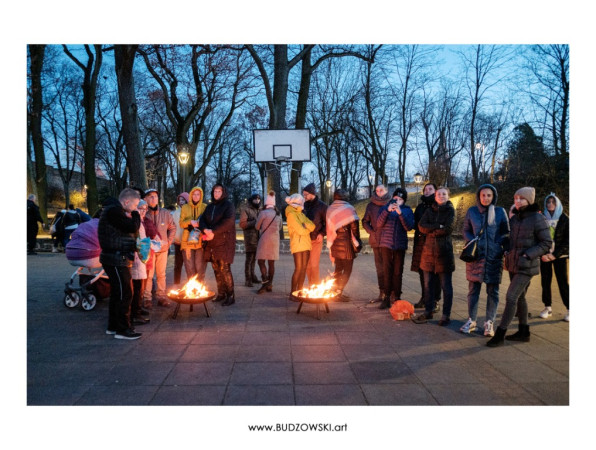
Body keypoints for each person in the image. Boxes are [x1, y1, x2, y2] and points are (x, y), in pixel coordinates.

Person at [487, 187, 552, 347]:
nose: (517, 201)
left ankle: (500, 333)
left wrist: (528, 254)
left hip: (527, 265)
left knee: (511, 297)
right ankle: (524, 332)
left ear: (529, 200)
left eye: (521, 198)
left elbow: (546, 243)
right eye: (516, 198)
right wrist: (507, 247)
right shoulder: (515, 218)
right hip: (514, 263)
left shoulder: (538, 218)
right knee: (520, 297)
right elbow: (512, 239)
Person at [460, 184, 510, 337]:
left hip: (494, 257)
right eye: (483, 195)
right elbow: (465, 230)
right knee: (473, 290)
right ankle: (471, 320)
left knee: (492, 291)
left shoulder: (500, 212)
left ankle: (489, 322)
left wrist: (497, 243)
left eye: (489, 195)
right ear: (479, 196)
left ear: (493, 196)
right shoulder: (472, 211)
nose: (486, 198)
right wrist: (473, 240)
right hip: (476, 256)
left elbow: (506, 232)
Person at [98, 188, 142, 340]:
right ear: (127, 201)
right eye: (135, 205)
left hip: (116, 257)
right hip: (116, 258)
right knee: (125, 293)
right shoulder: (114, 211)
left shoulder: (113, 210)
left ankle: (113, 326)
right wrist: (136, 215)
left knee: (118, 293)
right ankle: (123, 329)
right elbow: (132, 227)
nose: (136, 209)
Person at [412, 187, 456, 325]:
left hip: (444, 253)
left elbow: (448, 229)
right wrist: (438, 226)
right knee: (428, 285)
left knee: (446, 286)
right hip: (428, 253)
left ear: (448, 196)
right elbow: (421, 226)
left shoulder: (450, 211)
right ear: (435, 196)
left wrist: (432, 230)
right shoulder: (429, 210)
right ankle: (428, 311)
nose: (441, 196)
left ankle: (446, 315)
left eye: (444, 194)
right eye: (439, 194)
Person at [376, 188, 415, 309]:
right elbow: (379, 224)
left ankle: (397, 296)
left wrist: (400, 213)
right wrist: (387, 211)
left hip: (400, 245)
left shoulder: (407, 211)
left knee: (398, 272)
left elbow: (409, 227)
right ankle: (386, 297)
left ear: (404, 201)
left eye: (400, 199)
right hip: (386, 244)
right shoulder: (384, 208)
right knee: (387, 271)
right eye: (395, 198)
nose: (397, 201)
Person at [199, 184, 237, 306]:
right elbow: (202, 220)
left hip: (224, 241)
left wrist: (213, 231)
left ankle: (230, 295)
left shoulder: (228, 206)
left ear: (223, 192)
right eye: (215, 191)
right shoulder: (210, 206)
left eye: (219, 191)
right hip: (212, 242)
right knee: (216, 268)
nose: (216, 193)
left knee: (224, 268)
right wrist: (205, 229)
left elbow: (228, 222)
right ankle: (221, 293)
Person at [326, 189, 362, 302]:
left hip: (335, 243)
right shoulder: (349, 209)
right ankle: (338, 292)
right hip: (346, 244)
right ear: (344, 197)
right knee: (347, 270)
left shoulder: (330, 209)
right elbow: (355, 229)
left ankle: (334, 290)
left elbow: (329, 227)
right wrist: (358, 242)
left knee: (338, 268)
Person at [411, 183, 441, 311]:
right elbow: (416, 225)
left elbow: (438, 225)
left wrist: (426, 228)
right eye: (425, 189)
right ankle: (424, 298)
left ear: (435, 192)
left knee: (435, 273)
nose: (427, 191)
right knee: (422, 272)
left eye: (430, 189)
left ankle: (435, 300)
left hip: (433, 243)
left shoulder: (438, 206)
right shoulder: (420, 207)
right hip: (420, 243)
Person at [539, 193, 569, 321]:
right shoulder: (541, 218)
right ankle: (547, 307)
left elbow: (569, 241)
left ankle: (569, 308)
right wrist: (543, 253)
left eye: (553, 202)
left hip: (560, 256)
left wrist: (555, 255)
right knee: (545, 281)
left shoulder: (565, 219)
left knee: (562, 282)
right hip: (545, 255)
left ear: (557, 204)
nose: (550, 204)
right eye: (548, 202)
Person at [143, 188, 176, 307]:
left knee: (161, 274)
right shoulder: (143, 213)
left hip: (162, 250)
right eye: (150, 196)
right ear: (145, 199)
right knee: (149, 275)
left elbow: (172, 228)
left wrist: (169, 241)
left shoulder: (165, 213)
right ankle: (147, 298)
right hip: (149, 250)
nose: (153, 199)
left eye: (155, 196)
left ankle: (161, 296)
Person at [362, 184, 392, 303]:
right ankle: (382, 292)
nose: (379, 192)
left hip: (389, 240)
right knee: (379, 268)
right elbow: (365, 221)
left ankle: (391, 293)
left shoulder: (391, 202)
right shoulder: (371, 205)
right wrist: (371, 232)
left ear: (386, 191)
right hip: (376, 240)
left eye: (381, 190)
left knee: (389, 267)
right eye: (377, 190)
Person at [285, 193, 315, 297]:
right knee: (298, 268)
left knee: (303, 268)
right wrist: (306, 228)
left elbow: (313, 226)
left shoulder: (301, 214)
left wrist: (305, 226)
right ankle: (293, 293)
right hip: (297, 244)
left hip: (306, 244)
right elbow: (300, 230)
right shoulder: (291, 214)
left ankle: (300, 291)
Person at [255, 191, 283, 294]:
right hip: (275, 240)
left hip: (265, 240)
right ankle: (270, 284)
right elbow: (279, 227)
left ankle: (265, 282)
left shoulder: (263, 213)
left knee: (261, 261)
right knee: (271, 263)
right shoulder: (278, 214)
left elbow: (257, 227)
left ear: (266, 203)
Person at [130, 200, 151, 326]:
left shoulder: (140, 221)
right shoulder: (135, 221)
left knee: (140, 287)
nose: (143, 211)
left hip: (141, 257)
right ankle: (135, 314)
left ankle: (137, 309)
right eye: (140, 208)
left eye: (145, 209)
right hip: (136, 258)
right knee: (137, 287)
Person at [180, 187, 208, 283]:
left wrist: (201, 224)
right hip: (187, 240)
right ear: (191, 195)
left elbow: (208, 222)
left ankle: (199, 286)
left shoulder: (204, 207)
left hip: (200, 240)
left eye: (198, 194)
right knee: (189, 266)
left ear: (201, 196)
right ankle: (191, 286)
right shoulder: (185, 207)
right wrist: (190, 222)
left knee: (199, 265)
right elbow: (181, 223)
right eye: (194, 194)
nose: (196, 196)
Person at [302, 183, 327, 287]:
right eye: (303, 194)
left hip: (316, 239)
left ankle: (315, 286)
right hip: (305, 239)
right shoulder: (304, 206)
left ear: (312, 193)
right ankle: (311, 284)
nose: (304, 196)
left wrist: (322, 234)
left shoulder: (322, 206)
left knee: (314, 264)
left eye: (306, 194)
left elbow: (329, 223)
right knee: (307, 265)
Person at [239, 193, 261, 286]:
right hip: (250, 238)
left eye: (259, 199)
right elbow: (242, 224)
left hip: (258, 238)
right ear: (251, 200)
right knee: (249, 259)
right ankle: (248, 279)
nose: (257, 200)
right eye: (255, 199)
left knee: (254, 259)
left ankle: (253, 276)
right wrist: (255, 222)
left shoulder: (260, 209)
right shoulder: (246, 210)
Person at [172, 192, 189, 285]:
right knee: (178, 265)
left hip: (187, 242)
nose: (181, 202)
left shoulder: (190, 211)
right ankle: (176, 283)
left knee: (189, 265)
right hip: (178, 242)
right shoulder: (176, 213)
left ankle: (190, 283)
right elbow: (174, 226)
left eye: (183, 200)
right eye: (180, 200)